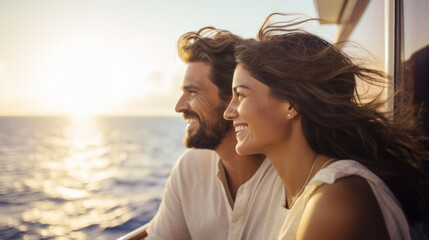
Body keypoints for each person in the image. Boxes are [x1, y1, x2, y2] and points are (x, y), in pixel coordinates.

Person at [224, 14, 429, 240]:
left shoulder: (333, 204)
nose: (228, 112)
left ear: (291, 104)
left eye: (241, 95)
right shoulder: (285, 189)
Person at [145, 27, 279, 240]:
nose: (179, 107)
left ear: (234, 99)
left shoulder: (285, 177)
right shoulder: (189, 168)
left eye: (192, 92)